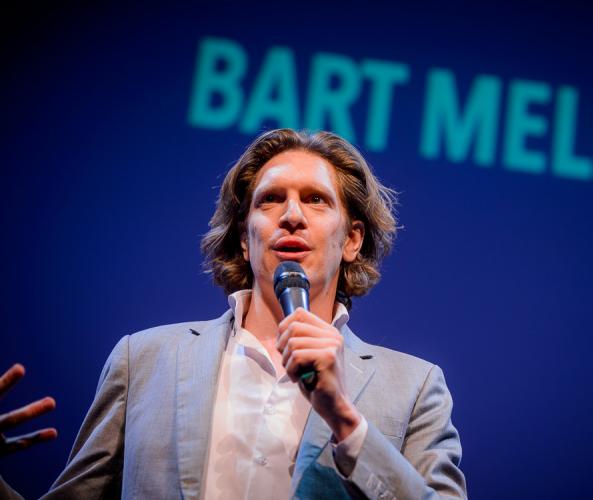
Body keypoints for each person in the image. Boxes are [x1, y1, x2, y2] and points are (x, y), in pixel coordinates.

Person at [1, 129, 466, 499]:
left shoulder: (414, 388)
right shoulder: (143, 360)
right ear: (245, 239)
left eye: (315, 199)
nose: (292, 215)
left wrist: (345, 419)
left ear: (352, 240)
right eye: (270, 199)